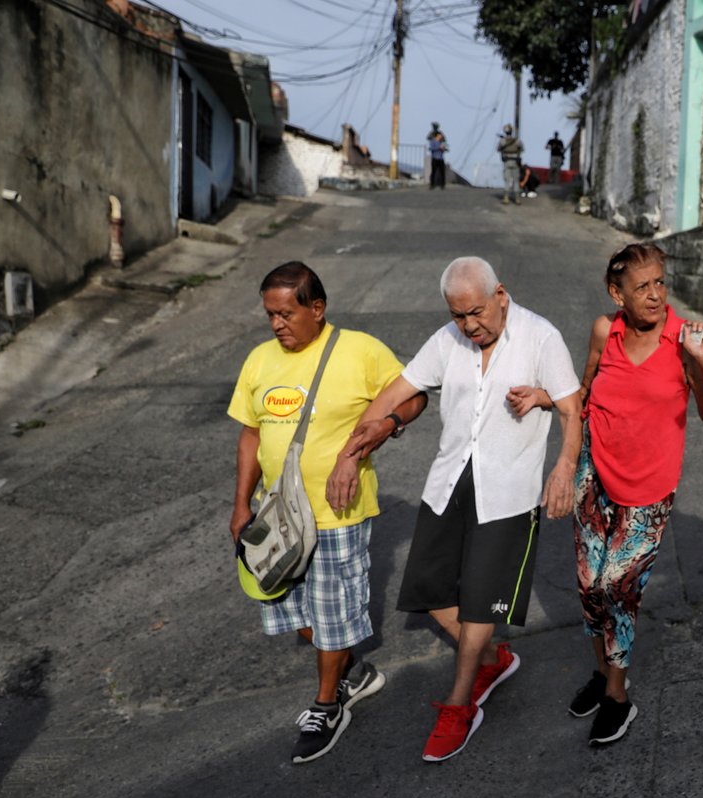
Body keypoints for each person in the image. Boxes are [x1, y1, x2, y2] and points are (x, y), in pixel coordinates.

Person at [328, 257, 581, 762]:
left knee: (480, 601)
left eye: (476, 312)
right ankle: (490, 659)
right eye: (458, 315)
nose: (469, 325)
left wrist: (564, 468)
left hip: (508, 492)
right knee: (428, 591)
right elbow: (397, 392)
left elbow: (573, 407)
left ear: (500, 295)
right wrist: (348, 455)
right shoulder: (448, 340)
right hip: (448, 482)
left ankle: (460, 703)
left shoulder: (541, 337)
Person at [229, 261, 427, 764]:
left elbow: (415, 397)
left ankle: (328, 704)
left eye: (286, 314)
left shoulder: (360, 351)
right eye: (270, 315)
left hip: (339, 511)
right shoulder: (259, 360)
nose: (277, 324)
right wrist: (240, 505)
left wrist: (387, 425)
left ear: (316, 308)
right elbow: (250, 434)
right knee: (289, 609)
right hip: (278, 515)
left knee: (332, 613)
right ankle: (353, 672)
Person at [568, 243, 703, 745]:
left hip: (649, 489)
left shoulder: (683, 340)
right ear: (617, 295)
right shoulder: (604, 330)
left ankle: (618, 696)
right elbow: (584, 392)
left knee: (618, 586)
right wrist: (564, 452)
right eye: (642, 287)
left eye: (660, 282)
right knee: (590, 584)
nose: (656, 294)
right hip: (595, 474)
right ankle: (603, 674)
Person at [497, 124, 523, 205]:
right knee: (516, 180)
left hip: (507, 161)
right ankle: (517, 198)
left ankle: (506, 198)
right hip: (515, 161)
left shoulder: (503, 141)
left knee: (507, 180)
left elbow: (499, 149)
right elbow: (521, 149)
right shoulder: (517, 140)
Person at [427, 122, 448, 190]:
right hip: (435, 157)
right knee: (434, 171)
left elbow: (444, 139)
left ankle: (442, 185)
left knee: (442, 172)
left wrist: (444, 148)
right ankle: (432, 184)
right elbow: (429, 139)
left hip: (441, 157)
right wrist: (438, 147)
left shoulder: (440, 133)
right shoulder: (432, 135)